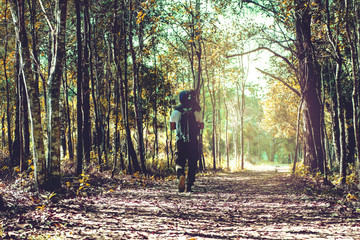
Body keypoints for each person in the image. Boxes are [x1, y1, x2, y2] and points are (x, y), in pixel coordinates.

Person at [170, 90, 203, 192]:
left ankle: (181, 175)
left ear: (180, 99)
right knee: (193, 163)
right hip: (193, 141)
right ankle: (189, 185)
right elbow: (201, 125)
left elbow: (172, 127)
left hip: (180, 141)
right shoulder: (196, 110)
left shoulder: (176, 111)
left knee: (180, 161)